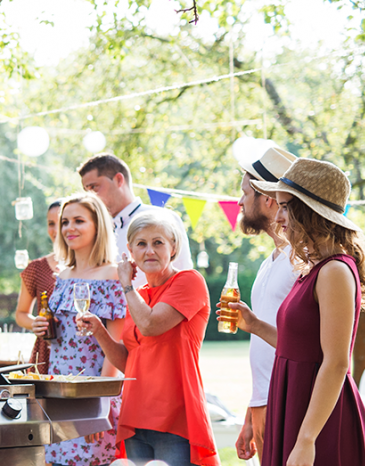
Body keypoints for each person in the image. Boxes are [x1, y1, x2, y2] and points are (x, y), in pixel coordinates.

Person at [229, 158, 365, 466]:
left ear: (308, 212)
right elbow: (299, 347)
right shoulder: (311, 269)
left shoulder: (335, 270)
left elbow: (336, 363)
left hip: (318, 414)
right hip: (293, 401)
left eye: (285, 207)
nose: (279, 217)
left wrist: (307, 438)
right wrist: (254, 324)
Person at [77, 209, 219, 466]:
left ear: (172, 247)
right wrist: (99, 330)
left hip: (174, 417)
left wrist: (126, 286)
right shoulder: (139, 295)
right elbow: (131, 362)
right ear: (131, 251)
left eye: (158, 243)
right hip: (135, 417)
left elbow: (151, 325)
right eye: (141, 244)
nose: (149, 251)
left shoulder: (188, 281)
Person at [31, 194, 126, 466]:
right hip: (59, 393)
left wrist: (99, 409)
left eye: (79, 221)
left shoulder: (112, 275)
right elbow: (61, 339)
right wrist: (43, 327)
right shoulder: (62, 276)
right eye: (65, 222)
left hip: (93, 396)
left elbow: (115, 352)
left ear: (98, 226)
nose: (69, 228)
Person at [232, 146, 300, 462]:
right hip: (264, 403)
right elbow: (263, 350)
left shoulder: (303, 262)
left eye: (246, 192)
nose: (239, 202)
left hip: (292, 401)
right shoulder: (267, 263)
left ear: (267, 199)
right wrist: (251, 413)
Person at [79, 153, 193, 288]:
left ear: (119, 180)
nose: (90, 197)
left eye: (94, 187)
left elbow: (185, 277)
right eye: (86, 190)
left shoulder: (162, 217)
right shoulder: (99, 230)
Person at [15, 200, 62, 372]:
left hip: (82, 352)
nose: (55, 230)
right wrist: (36, 323)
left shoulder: (90, 268)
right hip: (46, 351)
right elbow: (21, 314)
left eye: (62, 222)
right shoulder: (36, 268)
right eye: (51, 224)